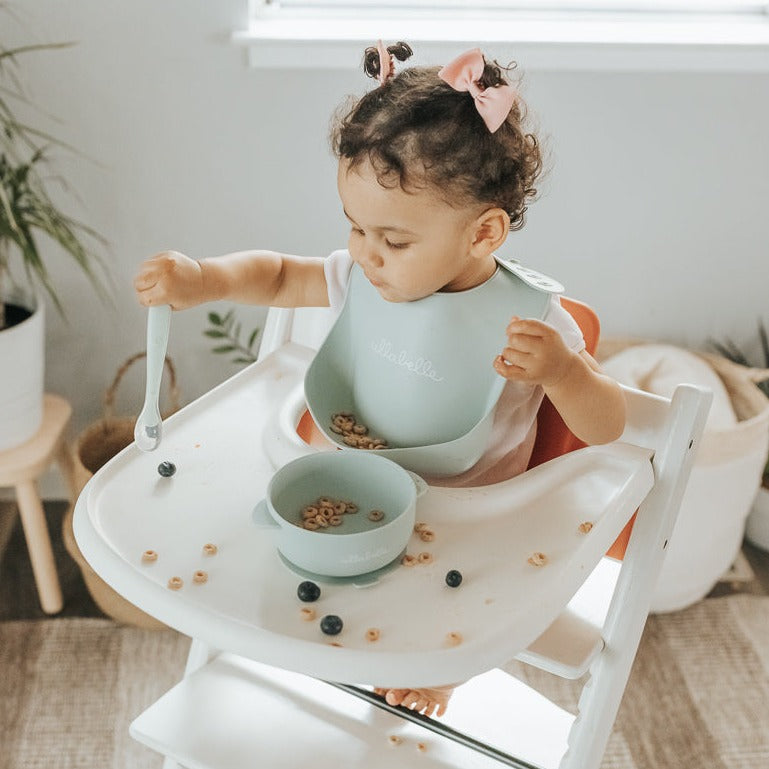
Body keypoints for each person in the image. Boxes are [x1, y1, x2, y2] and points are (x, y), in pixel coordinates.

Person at [134, 42, 626, 718]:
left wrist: (564, 373)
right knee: (260, 560)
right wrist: (204, 279)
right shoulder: (359, 273)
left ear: (483, 234)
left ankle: (439, 664)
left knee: (454, 604)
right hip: (356, 489)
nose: (365, 253)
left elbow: (607, 426)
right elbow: (279, 274)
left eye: (393, 241)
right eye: (354, 227)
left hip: (468, 521)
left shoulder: (530, 321)